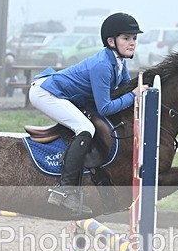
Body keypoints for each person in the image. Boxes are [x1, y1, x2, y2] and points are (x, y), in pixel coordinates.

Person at [28, 12, 148, 214]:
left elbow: (124, 88)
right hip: (45, 93)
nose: (132, 43)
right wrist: (135, 95)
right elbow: (106, 107)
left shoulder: (119, 62)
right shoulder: (103, 65)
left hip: (61, 92)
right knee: (85, 128)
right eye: (126, 38)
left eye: (134, 38)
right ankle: (65, 191)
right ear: (111, 41)